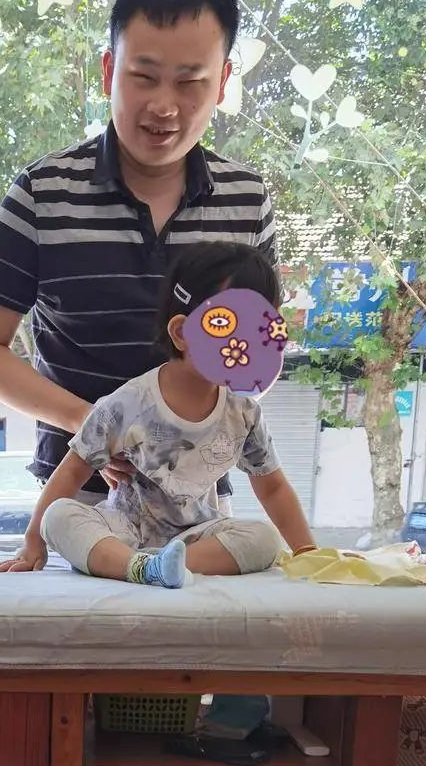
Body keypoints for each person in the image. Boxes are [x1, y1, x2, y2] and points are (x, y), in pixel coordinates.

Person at [0, 0, 278, 766]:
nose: (163, 103)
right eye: (143, 75)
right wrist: (97, 427)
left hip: (198, 488)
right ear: (108, 69)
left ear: (223, 83)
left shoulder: (247, 198)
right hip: (82, 482)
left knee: (188, 664)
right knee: (81, 674)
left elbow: (253, 350)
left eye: (190, 80)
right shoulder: (43, 193)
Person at [26, 242, 316, 585]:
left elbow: (273, 488)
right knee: (58, 516)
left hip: (196, 535)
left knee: (263, 539)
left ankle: (153, 566)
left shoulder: (244, 414)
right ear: (181, 332)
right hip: (123, 530)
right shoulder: (129, 402)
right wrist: (33, 544)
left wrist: (308, 552)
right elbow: (72, 471)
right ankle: (141, 566)